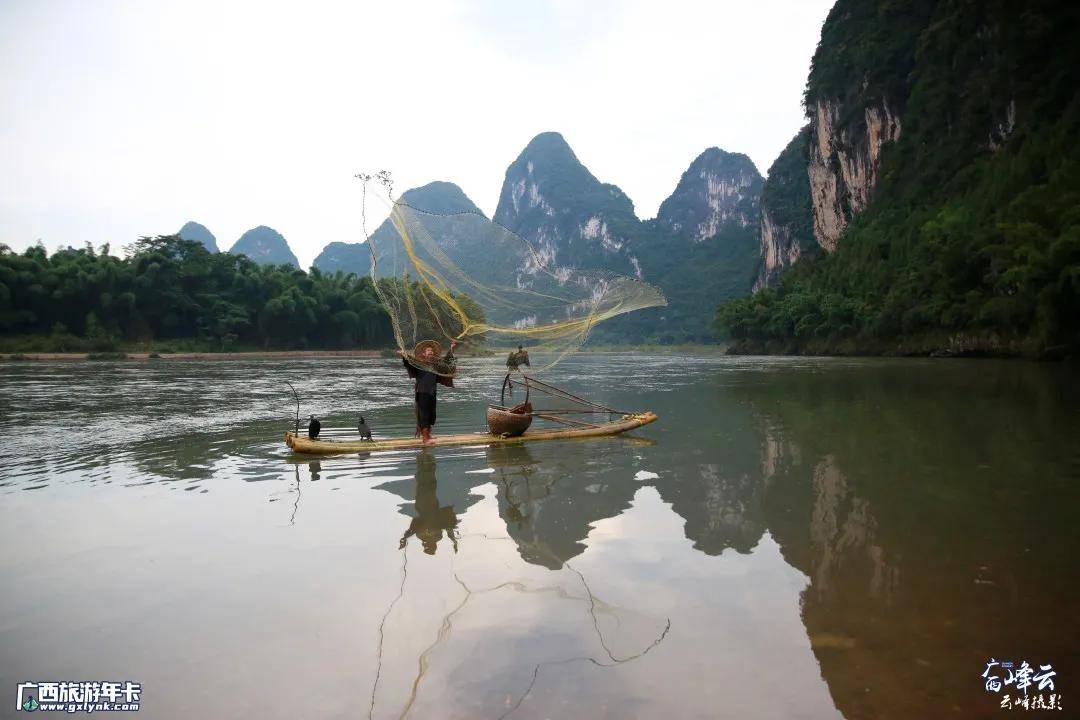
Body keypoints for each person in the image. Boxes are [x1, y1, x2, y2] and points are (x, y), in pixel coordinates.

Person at [397, 339, 457, 444]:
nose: (431, 352)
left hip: (432, 392)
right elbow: (409, 363)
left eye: (432, 351)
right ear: (424, 353)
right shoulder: (418, 364)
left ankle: (428, 435)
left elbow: (447, 362)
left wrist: (451, 349)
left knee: (431, 414)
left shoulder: (436, 365)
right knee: (424, 415)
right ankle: (425, 439)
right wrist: (404, 356)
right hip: (422, 392)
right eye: (429, 350)